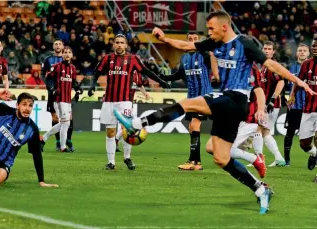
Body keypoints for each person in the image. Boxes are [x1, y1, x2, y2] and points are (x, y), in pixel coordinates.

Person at [114, 11, 315, 214]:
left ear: (224, 27)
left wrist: (298, 81)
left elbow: (271, 64)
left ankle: (137, 124)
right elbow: (186, 46)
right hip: (228, 104)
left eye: (211, 28)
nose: (208, 32)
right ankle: (260, 189)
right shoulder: (214, 43)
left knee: (187, 104)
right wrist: (164, 38)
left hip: (236, 99)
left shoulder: (244, 44)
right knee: (220, 157)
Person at [88, 34, 171, 170]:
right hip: (109, 101)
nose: (119, 45)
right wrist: (92, 86)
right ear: (113, 44)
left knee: (128, 129)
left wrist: (161, 81)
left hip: (125, 101)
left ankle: (127, 158)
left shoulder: (132, 59)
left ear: (126, 45)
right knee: (110, 132)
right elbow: (96, 73)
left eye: (122, 42)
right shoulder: (107, 59)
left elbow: (146, 71)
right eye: (117, 42)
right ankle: (111, 162)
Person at [163, 31, 219, 171]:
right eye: (190, 39)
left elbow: (216, 64)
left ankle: (195, 162)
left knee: (195, 124)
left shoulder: (205, 55)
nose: (192, 41)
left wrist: (217, 77)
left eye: (195, 39)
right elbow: (179, 75)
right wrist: (164, 78)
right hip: (191, 97)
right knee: (191, 127)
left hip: (204, 96)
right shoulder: (185, 58)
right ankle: (194, 160)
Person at [41, 47, 82, 152]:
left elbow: (73, 82)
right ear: (62, 55)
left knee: (65, 123)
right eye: (65, 52)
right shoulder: (57, 66)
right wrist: (52, 89)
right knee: (66, 123)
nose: (67, 54)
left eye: (69, 52)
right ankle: (63, 147)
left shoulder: (73, 68)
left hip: (68, 99)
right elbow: (47, 78)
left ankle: (43, 138)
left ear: (72, 55)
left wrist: (78, 90)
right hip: (58, 99)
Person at [257, 41, 286, 167]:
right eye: (265, 48)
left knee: (261, 130)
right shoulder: (263, 65)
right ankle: (277, 158)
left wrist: (272, 100)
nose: (266, 50)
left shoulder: (273, 65)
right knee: (262, 131)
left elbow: (281, 82)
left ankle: (260, 159)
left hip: (271, 105)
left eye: (269, 49)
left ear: (273, 51)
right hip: (265, 104)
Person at [290, 38, 317, 174]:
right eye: (313, 46)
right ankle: (314, 154)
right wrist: (292, 95)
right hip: (308, 108)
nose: (315, 48)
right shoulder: (307, 64)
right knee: (304, 144)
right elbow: (298, 81)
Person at [284, 44, 310, 165]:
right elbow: (283, 84)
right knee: (289, 134)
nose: (302, 52)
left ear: (308, 53)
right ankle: (287, 161)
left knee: (309, 137)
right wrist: (285, 98)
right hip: (294, 107)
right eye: (300, 50)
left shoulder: (313, 67)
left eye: (304, 51)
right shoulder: (290, 68)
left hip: (308, 108)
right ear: (297, 53)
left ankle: (313, 156)